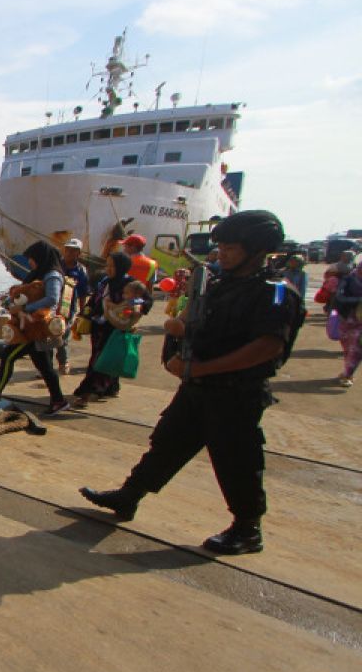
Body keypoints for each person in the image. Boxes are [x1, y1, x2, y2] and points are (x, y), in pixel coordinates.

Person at [79, 210, 300, 554]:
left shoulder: (275, 292)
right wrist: (178, 332)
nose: (222, 254)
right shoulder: (219, 281)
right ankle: (128, 496)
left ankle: (247, 529)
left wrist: (204, 369)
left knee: (235, 459)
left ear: (256, 250)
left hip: (235, 393)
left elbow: (267, 346)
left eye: (230, 248)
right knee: (166, 443)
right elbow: (193, 317)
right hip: (197, 387)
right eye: (221, 247)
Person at [0, 241, 71, 415]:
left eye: (32, 260)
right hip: (30, 327)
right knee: (44, 366)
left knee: (8, 356)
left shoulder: (52, 276)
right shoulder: (39, 273)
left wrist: (24, 309)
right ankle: (58, 400)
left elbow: (52, 299)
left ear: (41, 258)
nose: (30, 264)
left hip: (36, 328)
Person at [71, 252, 152, 406]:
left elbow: (145, 299)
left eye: (111, 265)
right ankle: (111, 387)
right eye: (107, 265)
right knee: (106, 357)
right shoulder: (105, 282)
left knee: (99, 360)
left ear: (121, 266)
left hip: (115, 327)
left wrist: (134, 308)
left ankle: (86, 394)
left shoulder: (131, 283)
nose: (108, 268)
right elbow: (95, 299)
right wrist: (85, 314)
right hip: (99, 327)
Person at [55, 237, 91, 375]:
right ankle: (47, 364)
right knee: (48, 334)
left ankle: (64, 362)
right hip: (54, 304)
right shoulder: (57, 265)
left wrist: (82, 312)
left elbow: (83, 293)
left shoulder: (81, 271)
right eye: (67, 250)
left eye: (73, 251)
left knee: (62, 335)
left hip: (68, 307)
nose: (69, 253)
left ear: (78, 253)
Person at [333, 263, 362, 386]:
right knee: (347, 347)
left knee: (357, 348)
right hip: (347, 319)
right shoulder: (348, 279)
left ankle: (348, 375)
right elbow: (339, 297)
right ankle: (347, 370)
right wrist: (358, 300)